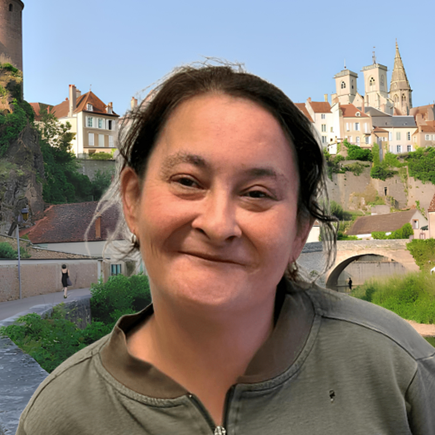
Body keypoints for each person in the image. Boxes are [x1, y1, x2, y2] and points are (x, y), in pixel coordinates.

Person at [16, 64, 435, 434]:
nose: (218, 225)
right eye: (187, 182)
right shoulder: (60, 417)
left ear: (299, 230)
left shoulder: (397, 367)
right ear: (133, 201)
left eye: (256, 193)